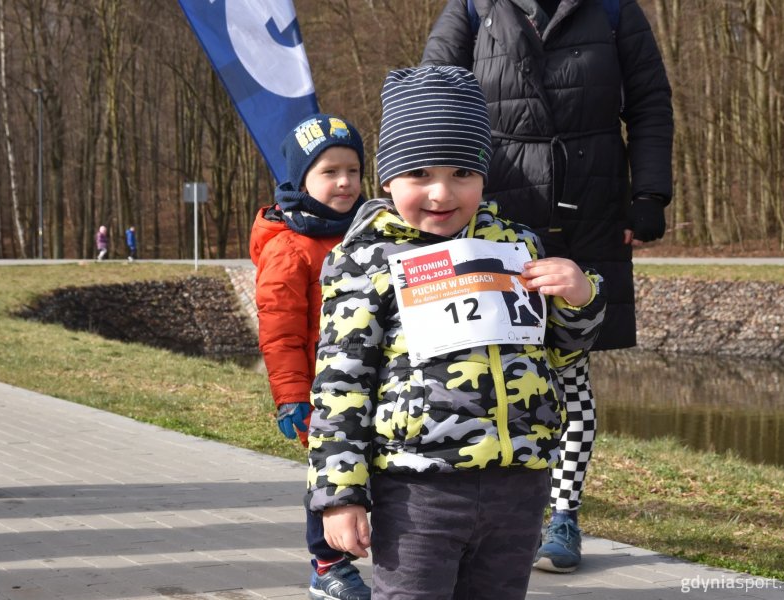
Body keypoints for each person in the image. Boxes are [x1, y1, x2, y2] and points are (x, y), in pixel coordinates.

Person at [306, 66, 606, 600]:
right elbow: (340, 385)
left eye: (463, 173)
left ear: (485, 177)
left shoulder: (517, 246)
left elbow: (562, 351)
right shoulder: (364, 260)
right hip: (418, 487)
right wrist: (339, 497)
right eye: (419, 174)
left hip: (520, 483)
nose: (442, 193)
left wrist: (580, 298)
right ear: (387, 179)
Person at [421, 0, 674, 572]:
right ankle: (481, 511)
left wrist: (650, 193)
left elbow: (651, 104)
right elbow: (434, 97)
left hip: (590, 205)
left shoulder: (613, 10)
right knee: (483, 366)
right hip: (489, 208)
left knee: (571, 367)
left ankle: (562, 515)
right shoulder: (471, 7)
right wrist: (430, 194)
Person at [249, 113, 371, 600]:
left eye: (354, 171)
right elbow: (279, 332)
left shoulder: (373, 230)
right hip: (322, 389)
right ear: (301, 180)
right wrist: (292, 395)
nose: (345, 182)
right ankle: (327, 565)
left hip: (375, 380)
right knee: (331, 470)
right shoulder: (289, 248)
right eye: (329, 172)